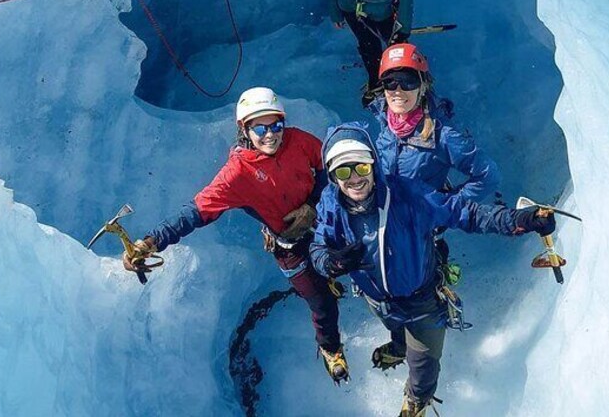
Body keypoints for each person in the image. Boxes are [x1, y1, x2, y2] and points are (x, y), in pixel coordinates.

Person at [310, 123, 554, 416]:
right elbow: (318, 248)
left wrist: (519, 220)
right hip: (377, 300)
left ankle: (416, 400)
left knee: (424, 364)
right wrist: (331, 262)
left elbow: (465, 213)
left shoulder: (406, 195)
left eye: (361, 168)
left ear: (373, 164)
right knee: (396, 329)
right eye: (343, 171)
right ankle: (400, 346)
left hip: (421, 299)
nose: (354, 179)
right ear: (333, 177)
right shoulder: (330, 204)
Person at [123, 87, 349, 383]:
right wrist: (152, 241)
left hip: (321, 224)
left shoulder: (299, 141)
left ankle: (329, 278)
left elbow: (325, 168)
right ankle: (330, 347)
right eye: (260, 127)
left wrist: (311, 204)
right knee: (321, 303)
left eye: (276, 125)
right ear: (244, 129)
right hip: (288, 244)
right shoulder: (237, 174)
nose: (270, 134)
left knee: (343, 262)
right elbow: (195, 211)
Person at [368, 42, 502, 371]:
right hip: (387, 229)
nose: (398, 90)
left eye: (407, 81)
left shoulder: (443, 136)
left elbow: (487, 175)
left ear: (423, 84)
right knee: (384, 292)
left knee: (419, 300)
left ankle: (421, 378)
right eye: (390, 82)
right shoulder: (384, 121)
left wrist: (446, 208)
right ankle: (400, 344)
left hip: (422, 234)